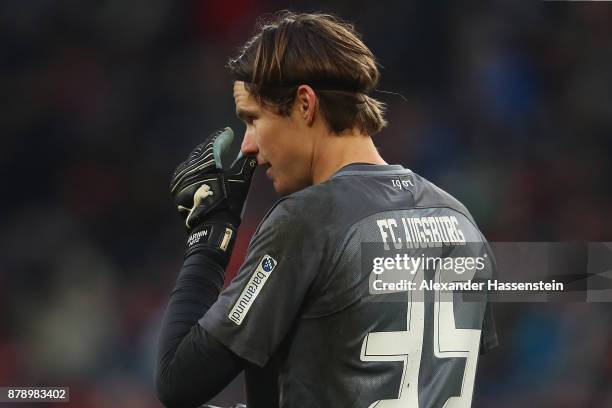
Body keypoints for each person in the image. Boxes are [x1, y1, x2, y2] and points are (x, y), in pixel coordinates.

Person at [155, 11, 497, 408]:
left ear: (304, 104)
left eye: (254, 119)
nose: (248, 145)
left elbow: (177, 381)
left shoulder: (308, 219)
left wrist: (208, 239)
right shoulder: (459, 221)